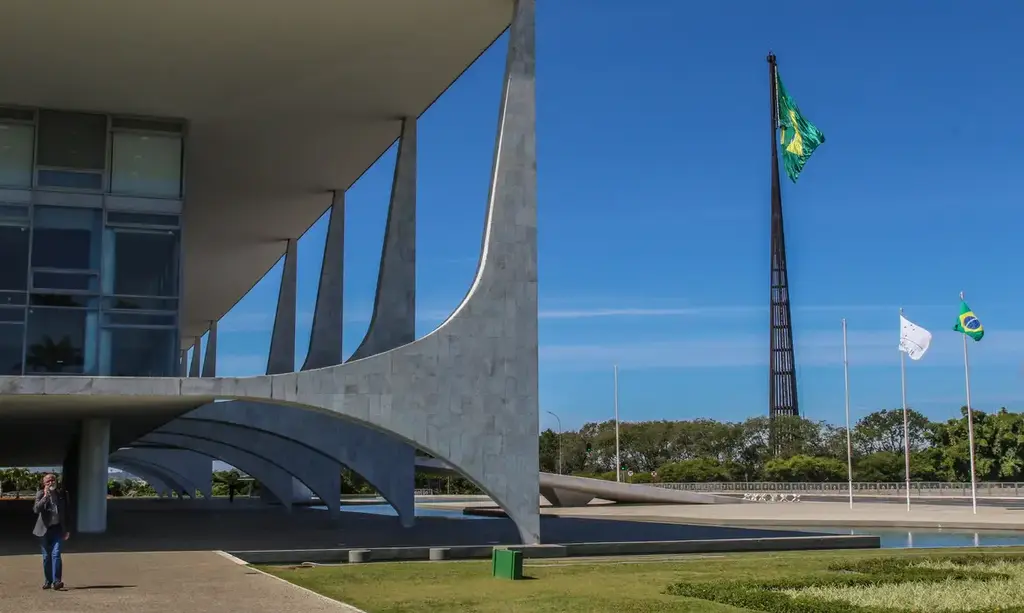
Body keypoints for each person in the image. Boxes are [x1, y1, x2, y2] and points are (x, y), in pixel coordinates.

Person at [32, 474, 70, 590]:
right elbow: (36, 509)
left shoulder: (63, 494)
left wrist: (67, 529)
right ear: (44, 483)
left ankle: (57, 581)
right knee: (46, 557)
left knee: (56, 554)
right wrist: (45, 497)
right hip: (44, 530)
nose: (51, 483)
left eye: (52, 480)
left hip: (57, 529)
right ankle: (48, 581)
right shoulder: (40, 494)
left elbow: (67, 513)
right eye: (48, 481)